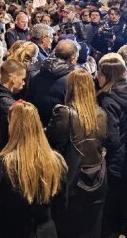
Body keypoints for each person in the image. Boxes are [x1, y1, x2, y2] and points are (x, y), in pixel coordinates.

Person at [0, 101, 65, 238]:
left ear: (13, 127)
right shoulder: (56, 162)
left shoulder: (2, 165)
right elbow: (61, 205)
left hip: (12, 231)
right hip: (46, 232)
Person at [45, 68, 108, 238]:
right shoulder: (101, 114)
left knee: (68, 227)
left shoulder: (64, 112)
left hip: (71, 178)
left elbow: (50, 140)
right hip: (97, 176)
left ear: (71, 87)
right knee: (92, 227)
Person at [96, 53, 127, 238]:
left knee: (109, 214)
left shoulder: (108, 99)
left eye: (100, 73)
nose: (97, 77)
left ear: (108, 76)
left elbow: (112, 137)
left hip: (116, 162)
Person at [25, 40, 77, 124]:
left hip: (36, 124)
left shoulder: (35, 75)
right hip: (59, 127)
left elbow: (28, 102)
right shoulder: (73, 81)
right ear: (73, 59)